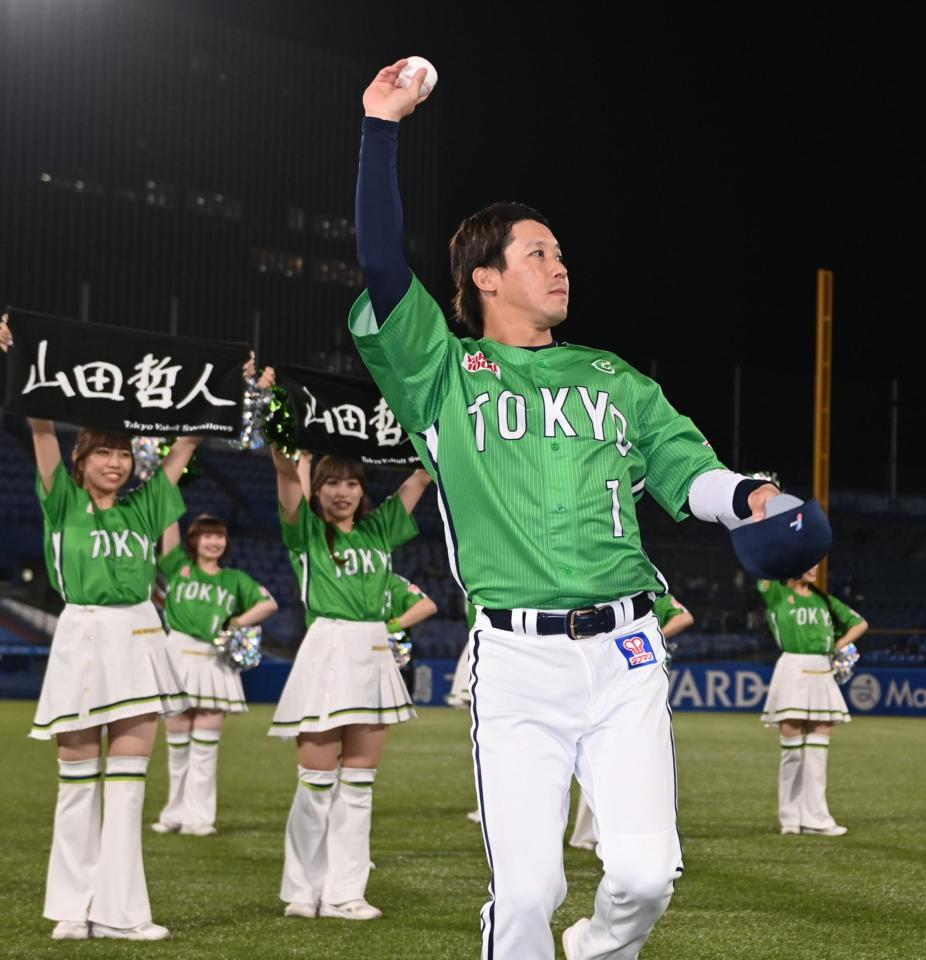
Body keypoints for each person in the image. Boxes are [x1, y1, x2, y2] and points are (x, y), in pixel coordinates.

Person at [349, 60, 784, 960]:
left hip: (627, 653)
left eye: (559, 251)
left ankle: (597, 949)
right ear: (482, 278)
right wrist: (381, 127)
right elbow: (382, 263)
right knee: (529, 891)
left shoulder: (611, 376)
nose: (560, 265)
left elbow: (687, 470)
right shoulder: (441, 372)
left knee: (642, 875)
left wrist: (749, 496)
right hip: (515, 662)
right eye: (537, 253)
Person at [0, 314, 200, 941]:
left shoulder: (147, 504)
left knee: (128, 792)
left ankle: (123, 912)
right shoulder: (60, 497)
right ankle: (72, 908)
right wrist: (17, 356)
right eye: (103, 452)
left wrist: (229, 386)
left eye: (121, 452)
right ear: (82, 459)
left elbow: (189, 443)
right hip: (81, 634)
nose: (114, 462)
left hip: (139, 636)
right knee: (77, 785)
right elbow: (39, 421)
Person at [269, 443, 431, 921]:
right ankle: (302, 889)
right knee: (315, 783)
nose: (342, 492)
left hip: (373, 650)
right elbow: (284, 471)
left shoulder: (379, 529)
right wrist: (290, 440)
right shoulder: (306, 533)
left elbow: (420, 477)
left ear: (363, 490)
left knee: (358, 787)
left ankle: (346, 893)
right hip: (326, 646)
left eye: (352, 483)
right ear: (316, 491)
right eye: (331, 483)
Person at [151, 513, 278, 836]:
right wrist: (169, 487)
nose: (213, 541)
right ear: (194, 540)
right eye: (207, 535)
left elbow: (268, 604)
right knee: (177, 749)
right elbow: (169, 530)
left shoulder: (234, 578)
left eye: (219, 536)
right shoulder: (179, 566)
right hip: (177, 656)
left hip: (213, 662)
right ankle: (173, 814)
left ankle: (200, 818)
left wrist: (234, 624)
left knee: (205, 751)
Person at [569, 593, 695, 851]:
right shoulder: (608, 591)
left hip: (628, 672)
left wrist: (655, 634)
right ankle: (595, 832)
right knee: (601, 754)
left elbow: (686, 618)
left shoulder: (647, 592)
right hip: (600, 671)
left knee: (612, 755)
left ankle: (603, 833)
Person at [758, 565, 867, 836]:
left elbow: (860, 623)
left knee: (819, 750)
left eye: (816, 563)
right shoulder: (778, 592)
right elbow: (762, 566)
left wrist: (839, 646)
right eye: (808, 563)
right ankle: (790, 819)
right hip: (793, 667)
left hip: (822, 668)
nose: (815, 568)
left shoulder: (824, 599)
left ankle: (816, 817)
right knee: (792, 750)